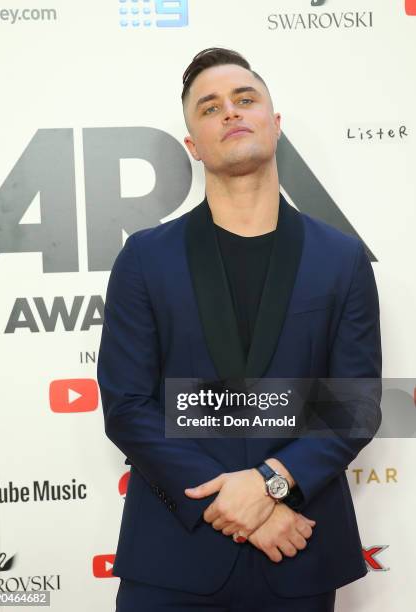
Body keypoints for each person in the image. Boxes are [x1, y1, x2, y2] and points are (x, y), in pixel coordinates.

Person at [97, 47, 382, 612]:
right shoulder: (145, 258)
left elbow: (354, 406)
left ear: (274, 125)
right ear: (192, 147)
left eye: (244, 99)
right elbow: (127, 405)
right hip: (175, 559)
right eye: (210, 107)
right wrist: (238, 504)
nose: (230, 112)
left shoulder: (341, 259)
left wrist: (271, 484)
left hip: (298, 552)